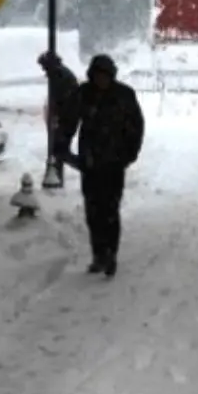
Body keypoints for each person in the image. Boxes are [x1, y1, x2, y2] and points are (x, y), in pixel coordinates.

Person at [55, 54, 144, 276]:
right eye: (97, 76)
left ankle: (111, 254)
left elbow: (136, 126)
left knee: (110, 210)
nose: (101, 80)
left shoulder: (124, 96)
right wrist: (62, 147)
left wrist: (129, 154)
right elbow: (69, 121)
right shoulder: (84, 94)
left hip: (114, 163)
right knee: (93, 212)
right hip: (90, 162)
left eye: (105, 76)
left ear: (111, 76)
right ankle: (98, 255)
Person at [39, 51, 79, 182]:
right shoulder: (62, 73)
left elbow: (60, 99)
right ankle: (57, 176)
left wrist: (56, 117)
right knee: (59, 150)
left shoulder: (59, 75)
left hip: (66, 120)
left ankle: (84, 168)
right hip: (67, 118)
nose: (43, 70)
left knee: (60, 150)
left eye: (44, 67)